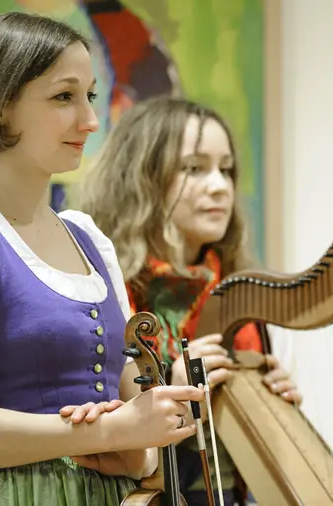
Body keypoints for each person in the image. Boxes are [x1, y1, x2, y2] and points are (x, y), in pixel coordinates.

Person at [0, 13, 203, 506]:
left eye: (90, 96)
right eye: (64, 96)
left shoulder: (88, 238)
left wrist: (143, 447)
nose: (90, 120)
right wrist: (99, 435)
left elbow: (127, 418)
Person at [76, 96, 303, 505]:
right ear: (142, 177)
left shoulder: (242, 303)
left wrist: (275, 407)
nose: (220, 186)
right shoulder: (103, 294)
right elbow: (88, 443)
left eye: (226, 170)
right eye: (194, 168)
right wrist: (172, 387)